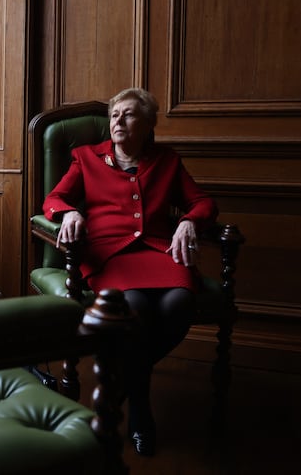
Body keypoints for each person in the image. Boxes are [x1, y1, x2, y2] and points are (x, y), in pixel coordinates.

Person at [42, 87, 218, 456]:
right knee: (133, 307)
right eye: (114, 115)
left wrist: (188, 222)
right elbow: (53, 199)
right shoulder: (86, 157)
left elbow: (201, 202)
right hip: (109, 256)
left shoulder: (167, 160)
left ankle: (118, 382)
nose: (118, 121)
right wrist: (71, 212)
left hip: (158, 252)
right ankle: (140, 411)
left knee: (180, 304)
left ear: (148, 123)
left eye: (129, 115)